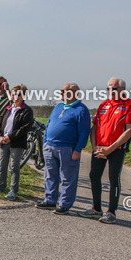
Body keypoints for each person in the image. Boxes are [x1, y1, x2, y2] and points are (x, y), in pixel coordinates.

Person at [79, 78, 131, 224]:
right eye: (108, 89)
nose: (111, 91)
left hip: (116, 148)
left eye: (114, 89)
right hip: (99, 148)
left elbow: (130, 130)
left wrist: (111, 148)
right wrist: (94, 147)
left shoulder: (130, 104)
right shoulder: (103, 105)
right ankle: (96, 209)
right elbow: (94, 128)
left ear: (122, 89)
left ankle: (111, 212)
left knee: (113, 179)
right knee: (94, 176)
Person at [37, 83, 90, 214]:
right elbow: (49, 124)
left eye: (63, 91)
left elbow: (84, 132)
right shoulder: (58, 107)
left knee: (68, 177)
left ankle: (64, 204)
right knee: (50, 175)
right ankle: (50, 200)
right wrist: (45, 142)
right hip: (50, 146)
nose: (60, 94)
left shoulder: (81, 110)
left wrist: (78, 149)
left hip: (68, 148)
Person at [0, 85, 34, 200]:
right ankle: (0, 188)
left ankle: (13, 191)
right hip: (3, 141)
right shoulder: (8, 108)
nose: (15, 97)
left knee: (14, 167)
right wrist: (0, 136)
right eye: (13, 94)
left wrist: (10, 137)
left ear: (23, 96)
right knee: (2, 165)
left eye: (19, 95)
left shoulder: (27, 110)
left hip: (16, 143)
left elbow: (25, 128)